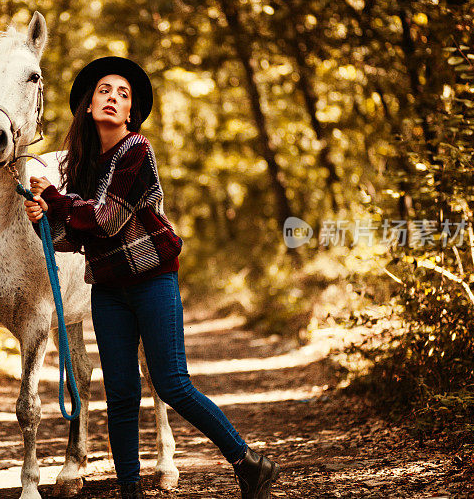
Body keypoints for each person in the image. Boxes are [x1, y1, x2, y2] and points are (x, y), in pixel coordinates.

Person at [23, 56, 281, 499]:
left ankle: (248, 462)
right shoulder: (80, 168)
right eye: (105, 90)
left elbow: (106, 221)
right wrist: (40, 216)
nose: (113, 98)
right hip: (107, 289)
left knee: (172, 383)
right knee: (121, 394)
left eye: (123, 95)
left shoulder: (135, 151)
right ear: (88, 105)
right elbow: (67, 240)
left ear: (130, 114)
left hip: (152, 281)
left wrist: (56, 200)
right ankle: (129, 490)